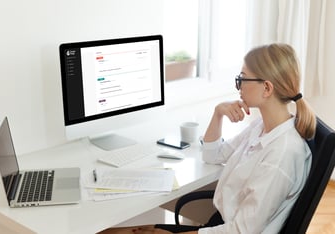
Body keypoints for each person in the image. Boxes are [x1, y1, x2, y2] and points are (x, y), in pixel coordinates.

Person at [98, 43, 316, 234]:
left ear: (267, 88)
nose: (238, 84)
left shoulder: (282, 154)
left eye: (242, 78)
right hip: (220, 224)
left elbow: (242, 231)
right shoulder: (263, 127)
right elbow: (213, 155)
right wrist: (218, 113)